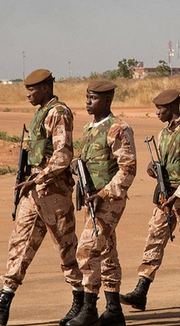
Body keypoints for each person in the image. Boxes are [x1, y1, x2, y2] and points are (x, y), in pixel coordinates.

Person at [0, 69, 82, 326]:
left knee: (67, 249)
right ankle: (3, 303)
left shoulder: (58, 113)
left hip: (53, 193)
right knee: (19, 244)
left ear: (45, 87)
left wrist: (37, 178)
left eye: (32, 89)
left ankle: (82, 302)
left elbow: (63, 157)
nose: (28, 94)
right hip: (34, 192)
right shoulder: (40, 113)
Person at [121, 89, 180, 311]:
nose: (156, 113)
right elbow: (165, 165)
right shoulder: (163, 134)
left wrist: (177, 196)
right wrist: (154, 169)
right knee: (154, 238)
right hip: (165, 196)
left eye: (160, 108)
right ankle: (141, 291)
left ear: (171, 107)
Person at [64, 79, 137, 326]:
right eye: (87, 97)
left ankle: (89, 309)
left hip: (109, 200)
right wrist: (76, 163)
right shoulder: (89, 128)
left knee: (86, 251)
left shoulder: (118, 128)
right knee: (107, 253)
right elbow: (89, 158)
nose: (88, 102)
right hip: (92, 200)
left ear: (106, 100)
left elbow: (128, 169)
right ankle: (114, 310)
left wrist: (104, 194)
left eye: (93, 98)